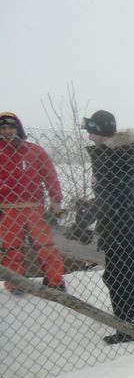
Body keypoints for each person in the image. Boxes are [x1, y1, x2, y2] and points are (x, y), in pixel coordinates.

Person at [82, 110, 134, 343]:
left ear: (100, 132)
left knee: (119, 276)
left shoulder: (114, 156)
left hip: (122, 226)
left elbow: (109, 196)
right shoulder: (116, 154)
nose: (89, 137)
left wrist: (84, 221)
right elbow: (109, 193)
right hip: (126, 225)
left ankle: (127, 326)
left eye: (91, 132)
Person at [0, 111, 66, 294]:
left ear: (18, 129)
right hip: (6, 209)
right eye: (3, 128)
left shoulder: (34, 150)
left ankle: (55, 281)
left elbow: (50, 176)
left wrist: (56, 201)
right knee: (11, 249)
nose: (6, 131)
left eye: (11, 127)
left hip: (35, 208)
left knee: (46, 246)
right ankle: (16, 284)